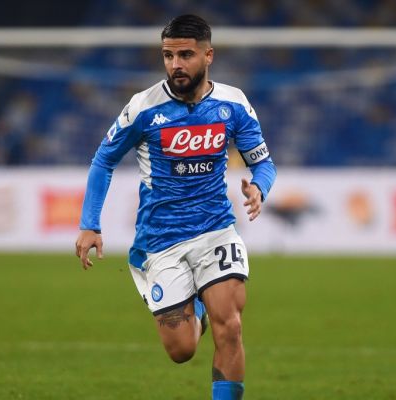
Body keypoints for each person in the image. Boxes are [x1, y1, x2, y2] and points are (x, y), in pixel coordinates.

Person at [75, 14, 276, 400]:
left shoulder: (233, 104)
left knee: (230, 327)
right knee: (181, 350)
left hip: (216, 229)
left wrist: (260, 188)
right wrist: (90, 224)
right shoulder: (144, 107)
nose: (175, 65)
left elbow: (263, 162)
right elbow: (103, 160)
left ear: (208, 55)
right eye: (168, 55)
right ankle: (195, 308)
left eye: (185, 54)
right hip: (161, 239)